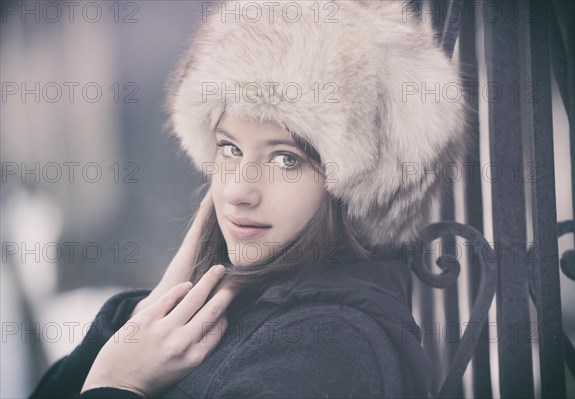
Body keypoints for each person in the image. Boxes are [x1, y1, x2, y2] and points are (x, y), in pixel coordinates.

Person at [29, 0, 466, 398]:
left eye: (286, 159)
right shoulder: (234, 310)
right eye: (230, 148)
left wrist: (117, 384)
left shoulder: (325, 349)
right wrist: (142, 317)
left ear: (357, 187)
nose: (238, 190)